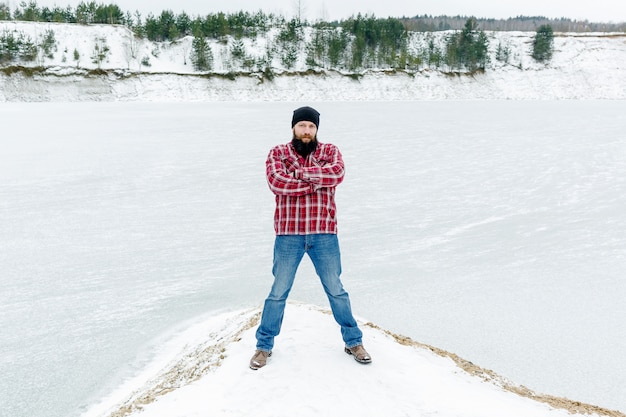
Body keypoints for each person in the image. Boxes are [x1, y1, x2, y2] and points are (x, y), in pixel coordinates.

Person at [249, 106, 372, 370]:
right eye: (302, 126)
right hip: (288, 234)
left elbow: (337, 174)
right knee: (278, 292)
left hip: (324, 232)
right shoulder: (278, 152)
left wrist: (299, 174)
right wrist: (316, 182)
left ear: (317, 129)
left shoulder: (330, 151)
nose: (307, 131)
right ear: (293, 127)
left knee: (336, 290)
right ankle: (263, 346)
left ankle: (354, 342)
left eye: (311, 127)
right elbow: (277, 183)